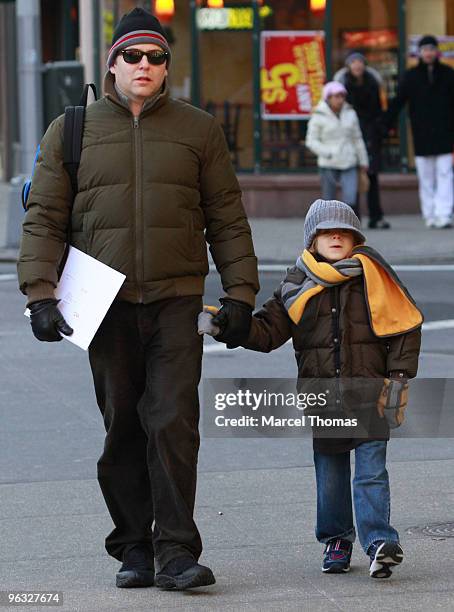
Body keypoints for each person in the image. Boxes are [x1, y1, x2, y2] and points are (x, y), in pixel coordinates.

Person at [17, 7, 259, 591]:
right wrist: (40, 294)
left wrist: (240, 293)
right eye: (133, 55)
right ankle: (134, 547)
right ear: (113, 63)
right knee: (123, 425)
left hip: (177, 300)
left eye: (156, 57)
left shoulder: (199, 129)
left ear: (166, 66)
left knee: (174, 421)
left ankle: (177, 552)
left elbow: (227, 217)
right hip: (105, 305)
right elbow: (46, 217)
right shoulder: (71, 129)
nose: (145, 65)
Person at [203, 199, 422, 578]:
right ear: (312, 240)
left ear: (356, 238)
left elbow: (405, 325)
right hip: (324, 399)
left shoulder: (375, 277)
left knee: (371, 471)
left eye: (344, 230)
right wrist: (226, 326)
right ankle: (337, 540)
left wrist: (399, 377)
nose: (336, 235)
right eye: (326, 230)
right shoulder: (296, 285)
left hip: (371, 392)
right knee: (332, 472)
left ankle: (378, 542)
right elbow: (267, 331)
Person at [384, 34, 454, 228]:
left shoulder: (449, 74)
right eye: (425, 50)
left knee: (446, 174)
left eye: (431, 49)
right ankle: (430, 214)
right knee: (426, 176)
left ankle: (444, 213)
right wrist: (385, 123)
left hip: (445, 134)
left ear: (437, 52)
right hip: (421, 134)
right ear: (419, 53)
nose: (428, 53)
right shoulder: (411, 76)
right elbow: (398, 101)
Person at [334, 52, 391, 229]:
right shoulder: (342, 84)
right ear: (348, 65)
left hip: (371, 134)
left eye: (360, 62)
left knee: (372, 175)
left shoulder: (373, 82)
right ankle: (353, 219)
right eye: (353, 62)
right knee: (352, 176)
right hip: (350, 134)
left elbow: (381, 108)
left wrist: (380, 128)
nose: (357, 65)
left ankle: (376, 216)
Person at [306, 82, 369, 218]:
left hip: (349, 160)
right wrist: (327, 152)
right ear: (328, 98)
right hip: (328, 163)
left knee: (351, 198)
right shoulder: (318, 115)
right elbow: (311, 140)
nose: (340, 99)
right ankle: (328, 226)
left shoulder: (350, 113)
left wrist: (363, 160)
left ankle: (349, 226)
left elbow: (357, 138)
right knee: (328, 200)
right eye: (336, 96)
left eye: (342, 96)